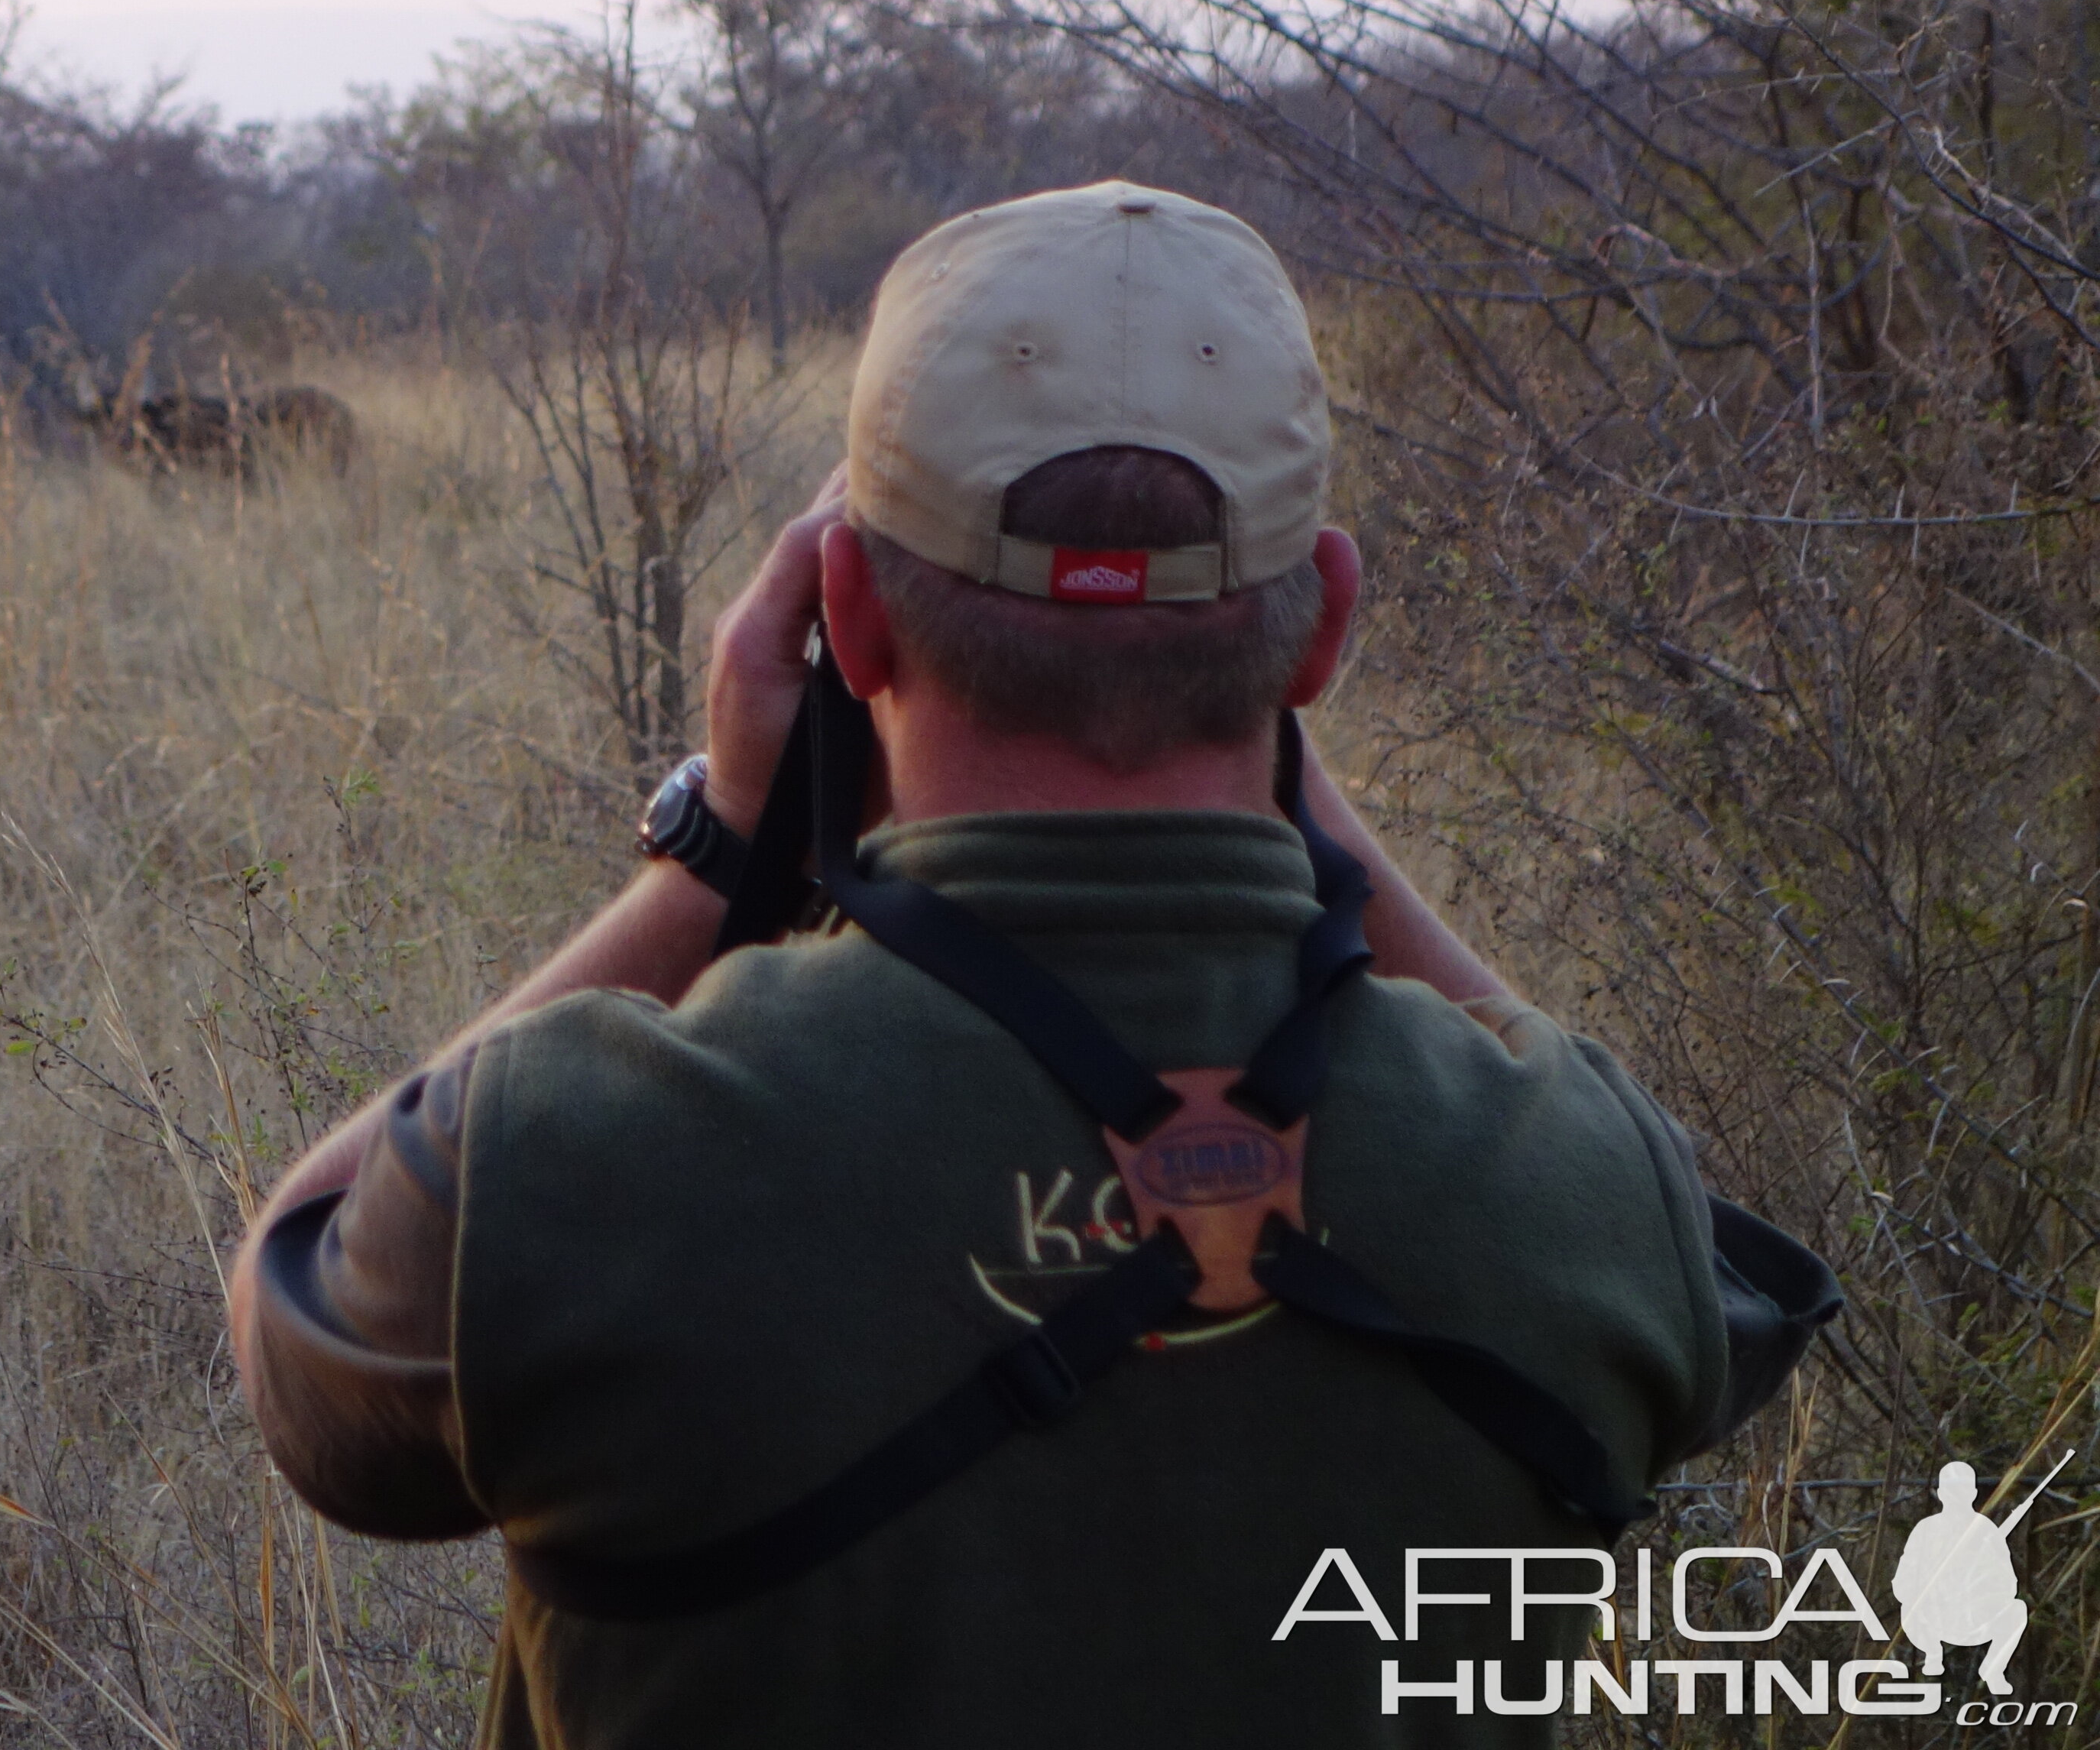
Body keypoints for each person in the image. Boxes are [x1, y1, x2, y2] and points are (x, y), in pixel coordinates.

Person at [228, 181, 1840, 1745]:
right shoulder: (1573, 1188)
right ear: (1325, 634)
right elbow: (1730, 1304)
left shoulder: (573, 1160)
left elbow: (304, 1312)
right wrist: (1316, 825)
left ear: (843, 620)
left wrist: (717, 854)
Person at [1895, 1460, 2032, 1695]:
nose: (1956, 1497)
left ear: (1973, 1494)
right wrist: (1932, 1588)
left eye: (1962, 1491)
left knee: (2017, 1610)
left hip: (1976, 1617)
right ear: (1940, 1494)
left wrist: (1978, 1583)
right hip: (1935, 1619)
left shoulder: (1986, 1531)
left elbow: (2009, 1585)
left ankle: (1994, 1668)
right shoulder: (1926, 1530)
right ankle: (1933, 1655)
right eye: (1951, 1491)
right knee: (1908, 1608)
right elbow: (1902, 1584)